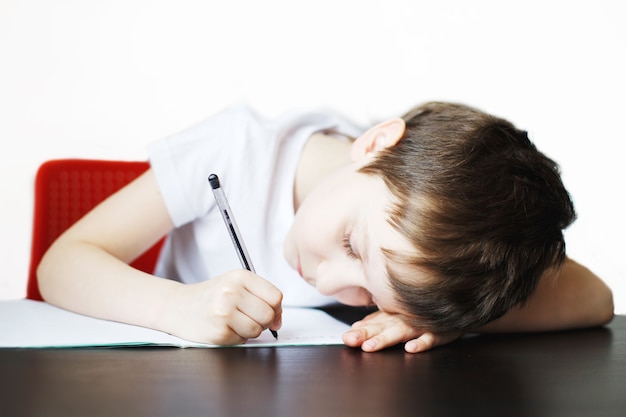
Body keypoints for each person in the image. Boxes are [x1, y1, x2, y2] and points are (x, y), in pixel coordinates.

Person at [37, 101, 614, 353]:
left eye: (368, 294)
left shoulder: (423, 243)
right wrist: (177, 308)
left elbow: (596, 298)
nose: (329, 279)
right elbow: (63, 263)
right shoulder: (231, 152)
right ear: (374, 145)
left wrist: (444, 318)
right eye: (349, 243)